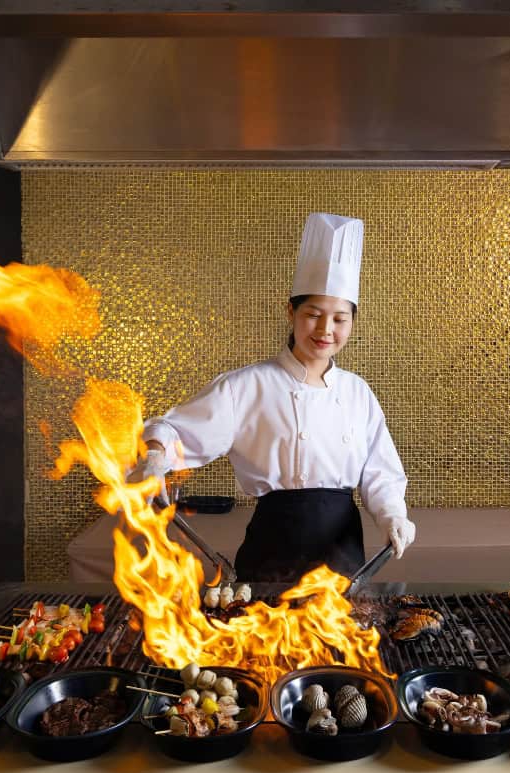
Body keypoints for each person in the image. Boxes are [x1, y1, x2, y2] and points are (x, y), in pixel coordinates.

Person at [131, 212, 415, 583]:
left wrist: (393, 515)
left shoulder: (357, 392)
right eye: (313, 315)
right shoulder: (246, 386)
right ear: (291, 312)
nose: (325, 330)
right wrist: (155, 456)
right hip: (270, 558)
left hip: (343, 562)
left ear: (352, 323)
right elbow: (172, 430)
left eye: (339, 319)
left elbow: (381, 476)